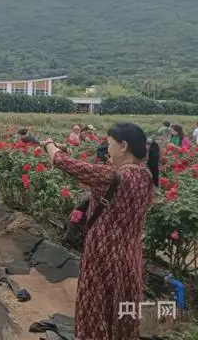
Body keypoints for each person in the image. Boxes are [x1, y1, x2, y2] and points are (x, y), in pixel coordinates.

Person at [42, 123, 154, 339]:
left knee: (95, 314)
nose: (107, 148)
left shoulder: (112, 176)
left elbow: (60, 161)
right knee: (124, 316)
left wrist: (49, 144)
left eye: (110, 143)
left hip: (103, 257)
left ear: (123, 146)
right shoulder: (146, 178)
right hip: (130, 259)